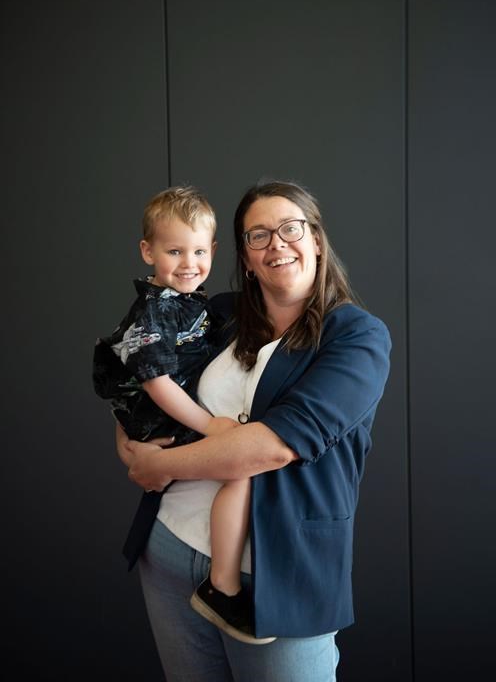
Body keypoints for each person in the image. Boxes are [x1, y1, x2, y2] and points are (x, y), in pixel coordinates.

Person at [117, 180, 392, 682]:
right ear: (244, 257)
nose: (276, 244)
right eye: (258, 235)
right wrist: (128, 442)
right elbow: (143, 372)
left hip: (280, 573)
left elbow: (272, 448)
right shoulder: (214, 314)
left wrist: (158, 464)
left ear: (316, 241)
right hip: (173, 548)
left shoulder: (357, 337)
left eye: (291, 228)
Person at [93, 185, 267, 643]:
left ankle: (222, 581)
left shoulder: (197, 304)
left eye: (197, 251)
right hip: (159, 417)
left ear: (212, 251)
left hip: (159, 415)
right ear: (148, 252)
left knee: (238, 466)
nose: (188, 263)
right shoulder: (154, 309)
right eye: (174, 251)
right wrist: (210, 426)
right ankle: (224, 586)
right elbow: (154, 381)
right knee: (239, 469)